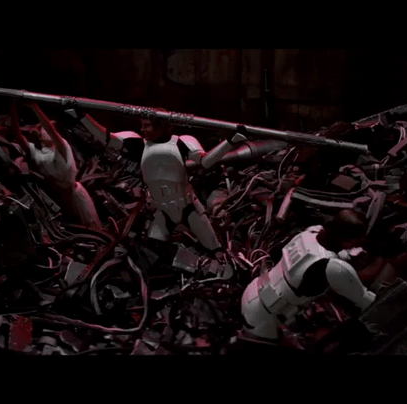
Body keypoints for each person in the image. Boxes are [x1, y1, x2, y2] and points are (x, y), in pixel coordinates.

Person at [62, 107, 249, 263]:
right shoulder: (138, 144)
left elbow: (205, 161)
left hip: (188, 207)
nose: (143, 129)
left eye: (148, 126)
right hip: (161, 210)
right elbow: (106, 138)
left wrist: (231, 141)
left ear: (162, 127)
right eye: (142, 125)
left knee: (215, 249)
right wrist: (81, 116)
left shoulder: (182, 142)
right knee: (153, 253)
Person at [240, 209, 376, 340]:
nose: (361, 242)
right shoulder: (334, 267)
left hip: (254, 291)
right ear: (347, 241)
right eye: (359, 239)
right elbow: (365, 300)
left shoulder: (311, 232)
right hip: (264, 317)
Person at [10, 102, 102, 229]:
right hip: (59, 196)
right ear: (40, 137)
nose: (47, 132)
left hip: (75, 196)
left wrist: (35, 108)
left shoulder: (62, 148)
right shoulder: (38, 153)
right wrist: (12, 107)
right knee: (70, 227)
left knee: (90, 227)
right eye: (43, 130)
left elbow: (51, 130)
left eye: (47, 129)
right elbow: (18, 135)